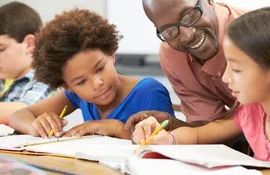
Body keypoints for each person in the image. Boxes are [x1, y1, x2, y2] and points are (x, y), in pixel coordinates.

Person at [124, 0, 270, 131]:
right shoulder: (172, 55)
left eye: (190, 15)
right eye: (169, 30)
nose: (187, 35)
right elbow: (212, 128)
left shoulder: (269, 38)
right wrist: (173, 125)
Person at [131, 7, 270, 171]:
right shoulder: (251, 112)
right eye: (227, 65)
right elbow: (198, 134)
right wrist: (169, 139)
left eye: (236, 69)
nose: (226, 77)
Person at [9, 8, 175, 139]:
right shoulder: (75, 96)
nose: (97, 83)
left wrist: (116, 129)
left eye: (100, 68)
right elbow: (19, 115)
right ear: (68, 86)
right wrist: (36, 126)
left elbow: (166, 143)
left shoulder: (149, 92)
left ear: (111, 54)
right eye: (81, 82)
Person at [0, 1, 53, 125]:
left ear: (29, 44)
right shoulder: (4, 76)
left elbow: (25, 111)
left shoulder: (46, 77)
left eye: (1, 49)